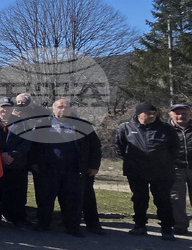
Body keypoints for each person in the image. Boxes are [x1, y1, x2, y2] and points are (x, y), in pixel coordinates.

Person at [32, 99, 101, 237]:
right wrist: (34, 163)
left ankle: (72, 227)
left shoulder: (83, 125)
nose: (62, 110)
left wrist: (94, 166)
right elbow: (34, 146)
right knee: (45, 198)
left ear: (71, 110)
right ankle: (43, 224)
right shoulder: (42, 124)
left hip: (74, 170)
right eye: (59, 107)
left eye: (66, 108)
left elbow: (95, 147)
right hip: (48, 169)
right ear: (53, 109)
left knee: (72, 199)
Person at [116, 103, 179, 240]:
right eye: (148, 113)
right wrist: (131, 161)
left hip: (162, 172)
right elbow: (120, 147)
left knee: (163, 200)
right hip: (136, 171)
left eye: (154, 113)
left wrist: (164, 162)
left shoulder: (166, 129)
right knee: (139, 198)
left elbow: (175, 148)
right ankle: (140, 226)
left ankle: (167, 228)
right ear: (139, 114)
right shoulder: (126, 127)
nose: (152, 116)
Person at [0, 98, 32, 229]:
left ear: (12, 109)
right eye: (2, 107)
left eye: (8, 107)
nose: (4, 109)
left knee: (18, 194)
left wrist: (11, 154)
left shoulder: (22, 123)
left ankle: (18, 219)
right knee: (0, 192)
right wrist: (0, 154)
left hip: (17, 164)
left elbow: (27, 143)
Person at [169, 103, 192, 236]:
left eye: (184, 113)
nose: (181, 116)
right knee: (176, 199)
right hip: (175, 169)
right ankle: (180, 226)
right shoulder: (166, 130)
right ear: (170, 115)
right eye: (177, 113)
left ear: (189, 114)